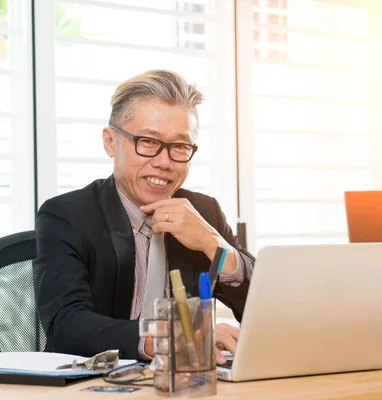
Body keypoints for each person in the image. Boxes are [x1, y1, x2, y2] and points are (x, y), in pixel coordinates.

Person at [33, 70, 254, 364]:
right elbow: (65, 325)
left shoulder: (204, 211)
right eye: (148, 142)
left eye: (180, 147)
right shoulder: (67, 215)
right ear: (111, 142)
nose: (164, 162)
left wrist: (214, 244)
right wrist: (167, 337)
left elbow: (265, 311)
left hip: (187, 387)